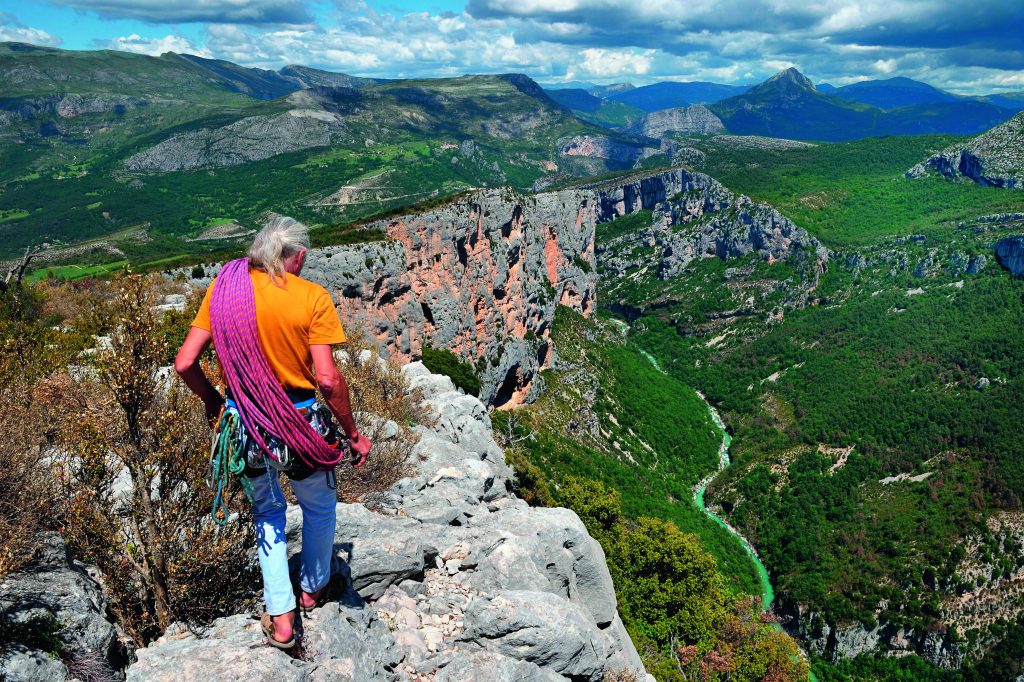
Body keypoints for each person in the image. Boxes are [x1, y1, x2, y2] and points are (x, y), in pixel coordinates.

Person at [174, 216, 372, 649]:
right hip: (298, 423)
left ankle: (282, 617)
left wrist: (214, 402)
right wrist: (353, 434)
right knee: (319, 507)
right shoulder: (312, 297)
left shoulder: (224, 291)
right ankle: (314, 588)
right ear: (297, 256)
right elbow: (328, 379)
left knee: (268, 515)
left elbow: (185, 363)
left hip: (244, 424)